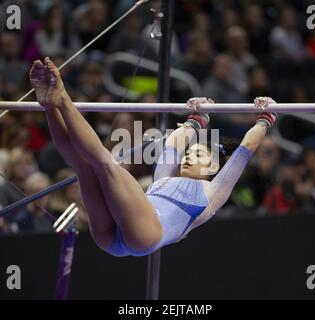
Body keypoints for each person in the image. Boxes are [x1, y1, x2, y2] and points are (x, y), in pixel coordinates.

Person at [29, 57, 277, 257]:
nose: (187, 157)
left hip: (144, 235)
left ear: (213, 165)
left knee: (106, 164)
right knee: (82, 167)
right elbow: (174, 142)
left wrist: (266, 118)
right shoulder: (163, 176)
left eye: (198, 154)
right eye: (189, 153)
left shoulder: (213, 192)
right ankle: (50, 105)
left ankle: (63, 98)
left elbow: (245, 149)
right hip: (114, 236)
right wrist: (197, 119)